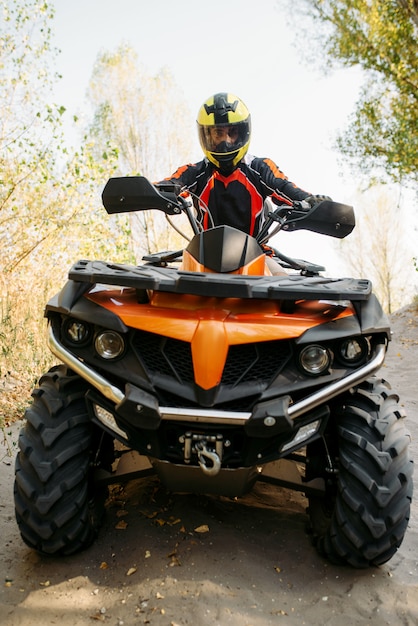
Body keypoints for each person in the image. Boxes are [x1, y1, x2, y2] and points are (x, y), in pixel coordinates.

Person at [160, 92, 331, 272]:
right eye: (219, 133)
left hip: (258, 257)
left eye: (232, 132)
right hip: (201, 258)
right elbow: (168, 185)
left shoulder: (261, 168)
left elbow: (286, 189)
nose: (226, 141)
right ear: (207, 135)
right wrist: (150, 192)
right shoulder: (194, 172)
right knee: (155, 291)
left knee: (285, 291)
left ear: (243, 133)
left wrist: (313, 203)